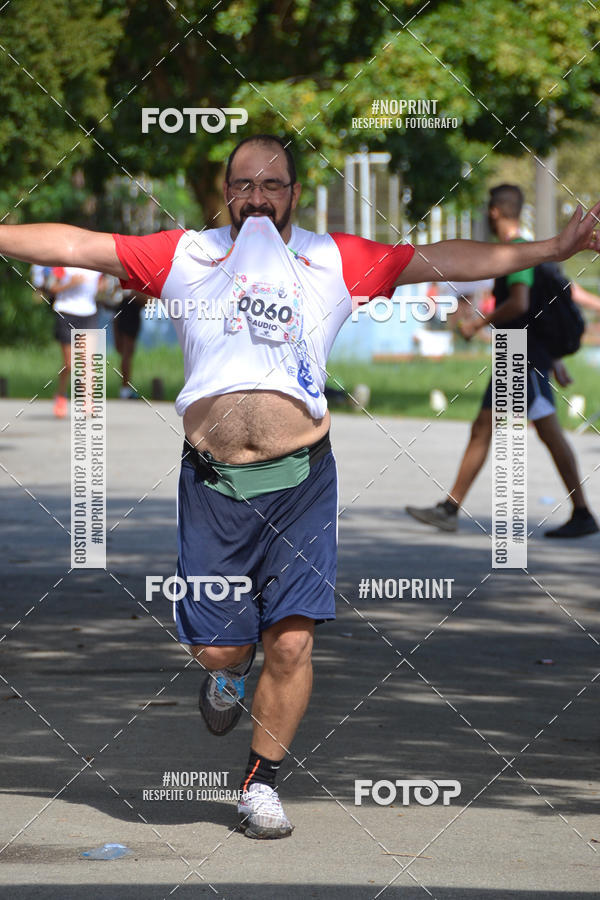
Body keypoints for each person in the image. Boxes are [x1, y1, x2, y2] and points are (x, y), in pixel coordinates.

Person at [2, 140, 600, 838]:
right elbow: (80, 243)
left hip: (302, 484)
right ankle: (226, 672)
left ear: (295, 191)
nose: (258, 197)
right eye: (244, 185)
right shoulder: (186, 255)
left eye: (273, 184)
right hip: (214, 488)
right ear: (225, 192)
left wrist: (553, 245)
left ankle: (260, 783)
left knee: (291, 642)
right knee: (222, 650)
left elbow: (441, 258)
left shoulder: (334, 259)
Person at [406, 183, 599, 539]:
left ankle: (581, 511)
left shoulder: (516, 253)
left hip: (519, 356)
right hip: (523, 353)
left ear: (494, 212)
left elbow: (521, 304)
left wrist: (478, 321)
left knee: (526, 430)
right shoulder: (529, 250)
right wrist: (552, 358)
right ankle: (451, 507)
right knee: (502, 428)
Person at [49, 266, 103, 418]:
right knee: (69, 363)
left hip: (88, 313)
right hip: (66, 312)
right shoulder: (63, 263)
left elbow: (102, 286)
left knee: (88, 359)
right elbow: (51, 287)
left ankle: (88, 400)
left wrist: (102, 288)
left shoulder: (96, 263)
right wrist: (70, 284)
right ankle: (60, 394)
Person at [112, 289, 146, 398]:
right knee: (126, 353)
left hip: (127, 310)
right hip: (128, 311)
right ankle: (125, 389)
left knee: (125, 353)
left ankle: (125, 388)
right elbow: (146, 300)